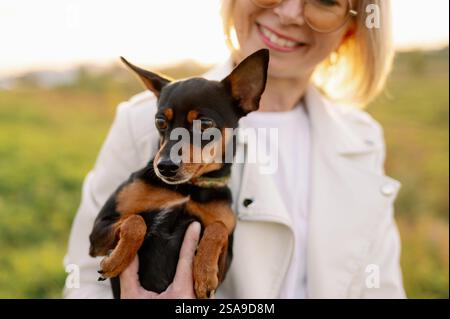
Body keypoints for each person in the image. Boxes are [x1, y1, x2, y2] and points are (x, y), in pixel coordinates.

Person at [63, 0, 405, 298]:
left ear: (353, 26)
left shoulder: (364, 139)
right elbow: (85, 276)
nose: (289, 13)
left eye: (324, 0)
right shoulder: (139, 121)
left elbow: (381, 287)